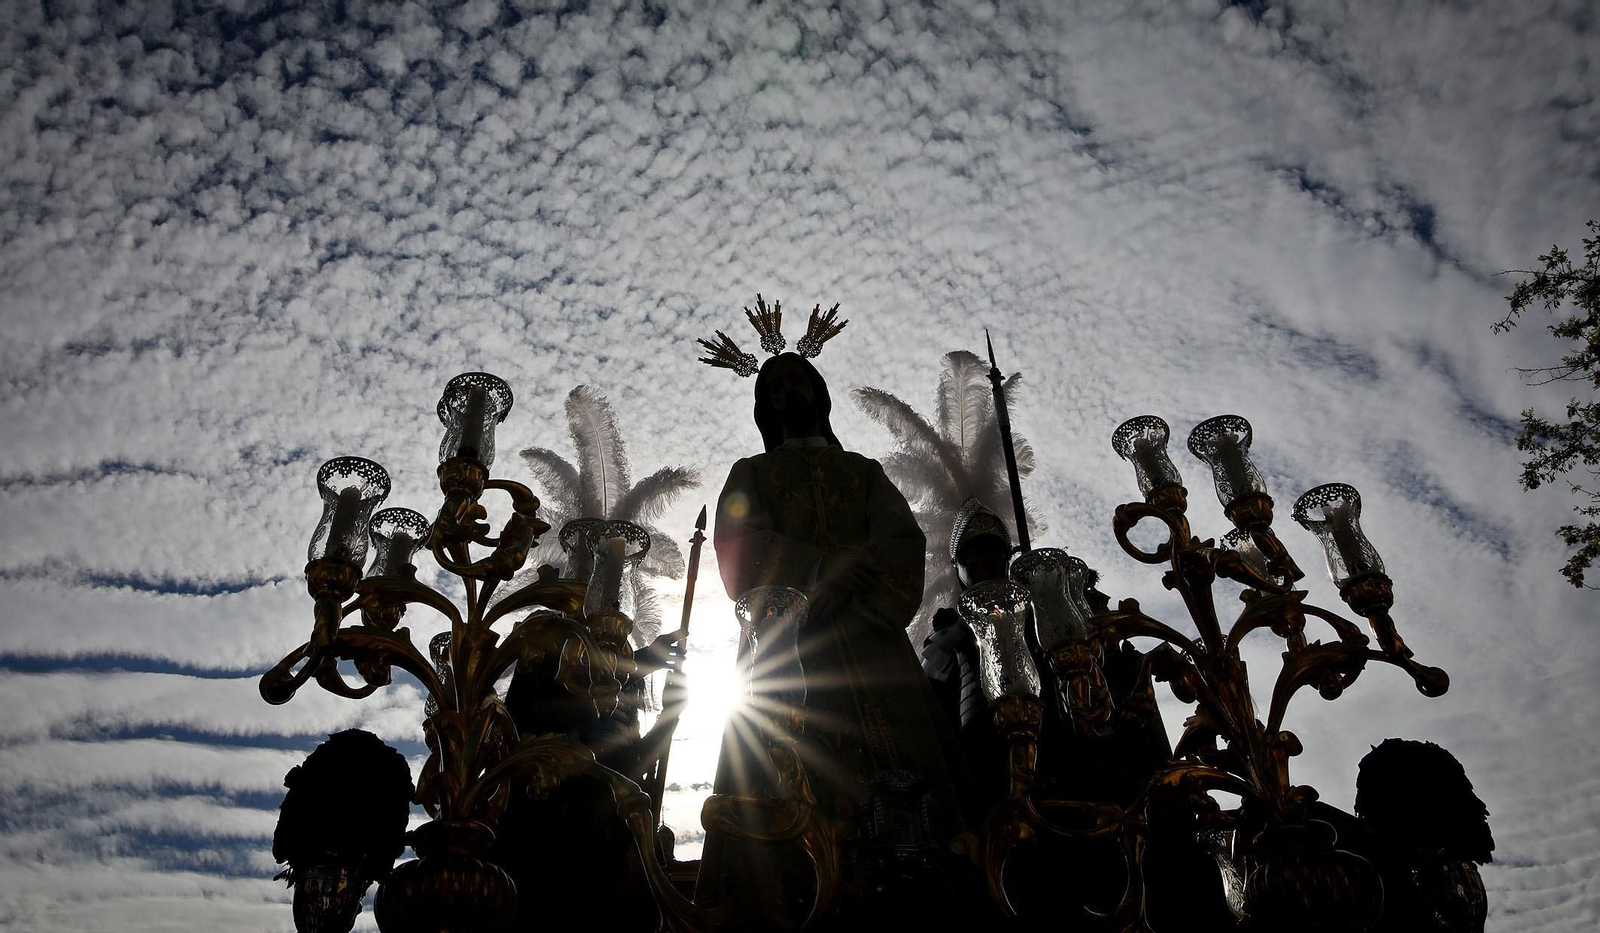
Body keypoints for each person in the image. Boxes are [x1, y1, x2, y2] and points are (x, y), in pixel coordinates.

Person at [697, 352, 981, 929]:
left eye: (794, 379)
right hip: (783, 646)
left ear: (818, 391)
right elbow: (737, 541)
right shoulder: (751, 471)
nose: (784, 392)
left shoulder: (863, 472)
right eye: (772, 386)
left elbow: (900, 541)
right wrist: (819, 570)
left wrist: (859, 573)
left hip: (872, 643)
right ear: (763, 405)